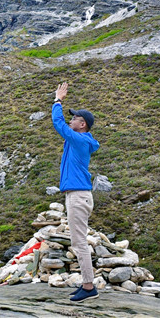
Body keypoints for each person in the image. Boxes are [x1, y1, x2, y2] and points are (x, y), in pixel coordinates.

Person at [51, 81, 100, 301]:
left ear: (82, 124)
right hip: (78, 195)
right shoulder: (78, 140)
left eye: (74, 118)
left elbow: (58, 123)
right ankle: (86, 283)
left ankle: (89, 287)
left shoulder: (79, 139)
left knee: (79, 242)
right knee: (78, 241)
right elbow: (63, 127)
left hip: (78, 196)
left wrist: (58, 100)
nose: (71, 121)